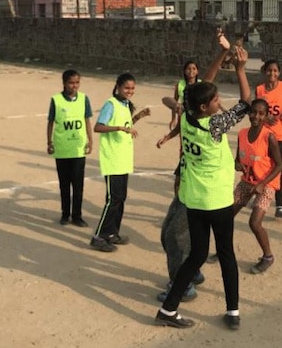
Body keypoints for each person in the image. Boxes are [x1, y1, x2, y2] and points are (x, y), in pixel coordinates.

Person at [155, 46, 252, 331]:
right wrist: (241, 69)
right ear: (204, 107)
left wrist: (221, 58)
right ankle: (232, 311)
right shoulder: (215, 125)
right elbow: (246, 101)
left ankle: (169, 308)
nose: (218, 102)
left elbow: (198, 90)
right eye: (214, 100)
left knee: (198, 254)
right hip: (217, 200)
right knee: (226, 254)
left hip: (195, 200)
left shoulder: (186, 117)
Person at [155, 35, 232, 303]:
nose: (191, 72)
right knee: (167, 234)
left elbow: (210, 79)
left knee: (176, 238)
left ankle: (183, 283)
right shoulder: (189, 110)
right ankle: (193, 271)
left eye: (194, 69)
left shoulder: (210, 122)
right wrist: (174, 111)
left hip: (199, 189)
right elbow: (168, 99)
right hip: (186, 178)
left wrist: (223, 53)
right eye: (188, 69)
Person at [90, 73, 150, 252]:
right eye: (127, 88)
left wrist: (138, 117)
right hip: (112, 158)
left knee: (120, 198)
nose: (130, 91)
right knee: (112, 199)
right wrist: (118, 128)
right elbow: (98, 126)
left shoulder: (125, 104)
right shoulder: (111, 104)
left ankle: (112, 233)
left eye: (132, 88)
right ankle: (99, 236)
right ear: (118, 86)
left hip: (123, 158)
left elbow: (126, 124)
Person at [234, 98, 282, 274]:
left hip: (266, 183)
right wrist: (237, 164)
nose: (256, 116)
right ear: (249, 113)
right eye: (253, 112)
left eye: (261, 113)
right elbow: (238, 158)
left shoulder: (269, 137)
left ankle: (268, 256)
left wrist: (263, 184)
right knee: (225, 216)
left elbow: (279, 165)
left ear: (266, 116)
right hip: (248, 181)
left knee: (254, 223)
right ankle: (223, 250)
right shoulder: (241, 134)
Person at [46, 70, 93, 227]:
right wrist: (49, 142)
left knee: (78, 185)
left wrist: (90, 140)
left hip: (78, 148)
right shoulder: (56, 100)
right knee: (64, 184)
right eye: (71, 83)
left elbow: (87, 120)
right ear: (64, 83)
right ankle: (65, 214)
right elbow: (51, 122)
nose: (74, 86)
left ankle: (77, 216)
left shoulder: (84, 99)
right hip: (62, 148)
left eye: (77, 82)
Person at [255, 59, 282, 218]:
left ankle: (279, 205)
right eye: (269, 70)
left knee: (278, 166)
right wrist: (265, 119)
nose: (272, 73)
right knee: (261, 164)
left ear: (279, 73)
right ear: (264, 72)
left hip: (280, 135)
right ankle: (259, 193)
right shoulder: (260, 90)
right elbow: (256, 111)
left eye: (275, 71)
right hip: (264, 134)